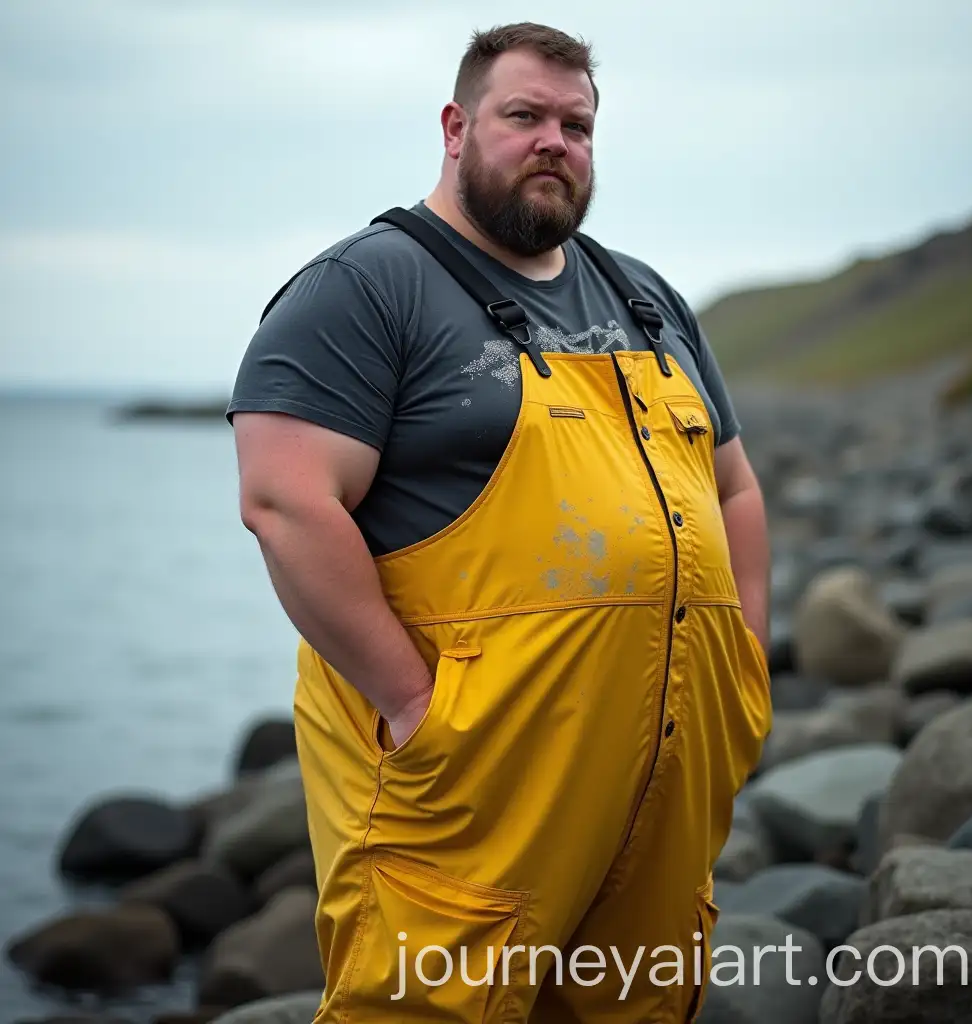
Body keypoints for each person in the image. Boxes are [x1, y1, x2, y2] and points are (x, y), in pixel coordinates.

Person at [228, 20, 772, 1023]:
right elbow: (283, 498)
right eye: (523, 115)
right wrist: (410, 707)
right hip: (470, 784)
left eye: (576, 123)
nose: (552, 141)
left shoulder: (645, 297)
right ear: (455, 125)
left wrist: (741, 663)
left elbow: (732, 485)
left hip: (659, 783)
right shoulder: (364, 288)